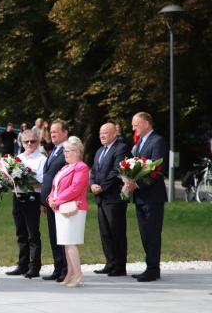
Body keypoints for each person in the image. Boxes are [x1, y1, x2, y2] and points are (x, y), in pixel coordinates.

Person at [122, 112, 167, 282]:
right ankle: (150, 266)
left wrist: (138, 184)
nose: (133, 128)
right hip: (141, 196)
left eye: (136, 125)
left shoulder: (157, 141)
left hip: (153, 197)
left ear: (146, 123)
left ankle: (153, 269)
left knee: (153, 233)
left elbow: (157, 169)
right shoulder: (140, 142)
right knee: (144, 233)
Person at [47, 136, 90, 287]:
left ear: (77, 152)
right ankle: (70, 273)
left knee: (70, 243)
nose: (65, 154)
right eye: (64, 151)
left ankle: (78, 274)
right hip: (62, 208)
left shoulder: (81, 167)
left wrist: (57, 200)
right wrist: (50, 198)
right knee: (66, 242)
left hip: (74, 209)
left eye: (68, 151)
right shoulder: (65, 167)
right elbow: (55, 187)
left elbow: (75, 188)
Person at [5, 130, 45, 278]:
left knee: (32, 234)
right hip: (17, 197)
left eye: (32, 141)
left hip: (32, 198)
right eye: (26, 141)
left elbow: (41, 182)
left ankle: (34, 266)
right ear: (22, 143)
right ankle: (22, 265)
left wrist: (24, 182)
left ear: (38, 142)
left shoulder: (41, 159)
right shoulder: (18, 158)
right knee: (20, 233)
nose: (29, 144)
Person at [90, 123, 129, 277]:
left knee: (117, 232)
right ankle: (110, 263)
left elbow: (117, 170)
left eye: (105, 133)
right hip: (101, 198)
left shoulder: (121, 148)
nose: (102, 136)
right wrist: (92, 184)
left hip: (114, 198)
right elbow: (94, 171)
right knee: (105, 233)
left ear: (114, 133)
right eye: (100, 133)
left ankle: (119, 266)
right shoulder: (99, 151)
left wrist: (102, 187)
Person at [40, 119, 69, 282]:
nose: (52, 134)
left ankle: (65, 269)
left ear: (65, 133)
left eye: (55, 131)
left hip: (60, 202)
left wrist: (55, 198)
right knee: (53, 235)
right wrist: (44, 201)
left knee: (62, 236)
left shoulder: (67, 150)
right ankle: (58, 267)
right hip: (50, 202)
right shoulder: (55, 150)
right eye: (51, 132)